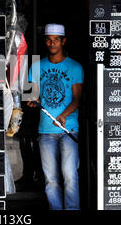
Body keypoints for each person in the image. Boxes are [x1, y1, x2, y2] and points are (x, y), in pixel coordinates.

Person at [27, 23, 84, 210]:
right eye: (49, 39)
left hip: (69, 129)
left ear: (63, 41)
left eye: (56, 40)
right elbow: (33, 95)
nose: (52, 43)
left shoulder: (75, 67)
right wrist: (32, 100)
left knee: (70, 177)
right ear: (45, 41)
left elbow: (77, 100)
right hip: (45, 131)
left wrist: (63, 115)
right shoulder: (36, 66)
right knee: (50, 180)